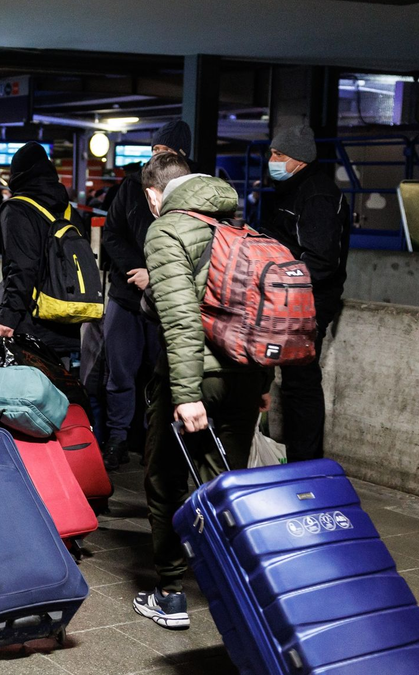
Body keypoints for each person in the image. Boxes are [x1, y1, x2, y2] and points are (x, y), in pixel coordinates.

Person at [135, 151, 270, 630]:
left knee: (166, 480)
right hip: (246, 375)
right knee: (224, 483)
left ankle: (171, 594)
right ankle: (238, 591)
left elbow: (180, 320)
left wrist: (186, 394)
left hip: (198, 381)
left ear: (154, 195)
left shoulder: (168, 229)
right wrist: (263, 383)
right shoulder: (241, 228)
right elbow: (262, 312)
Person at [98, 120, 193, 469]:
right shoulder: (131, 187)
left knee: (159, 376)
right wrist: (136, 270)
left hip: (166, 301)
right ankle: (118, 439)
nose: (157, 157)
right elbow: (111, 235)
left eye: (165, 151)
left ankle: (155, 442)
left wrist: (154, 276)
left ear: (181, 155)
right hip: (126, 296)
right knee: (119, 374)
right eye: (154, 150)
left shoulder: (194, 193)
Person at [257, 125, 349, 463]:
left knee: (301, 382)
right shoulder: (290, 188)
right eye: (272, 153)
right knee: (289, 381)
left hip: (306, 302)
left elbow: (321, 261)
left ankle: (305, 462)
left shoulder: (317, 195)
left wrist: (279, 281)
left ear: (300, 159)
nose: (272, 160)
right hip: (284, 296)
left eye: (279, 154)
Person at [0, 142, 83, 356]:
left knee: (29, 378)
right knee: (62, 376)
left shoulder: (16, 209)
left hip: (32, 321)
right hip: (69, 318)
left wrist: (8, 317)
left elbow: (22, 267)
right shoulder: (69, 210)